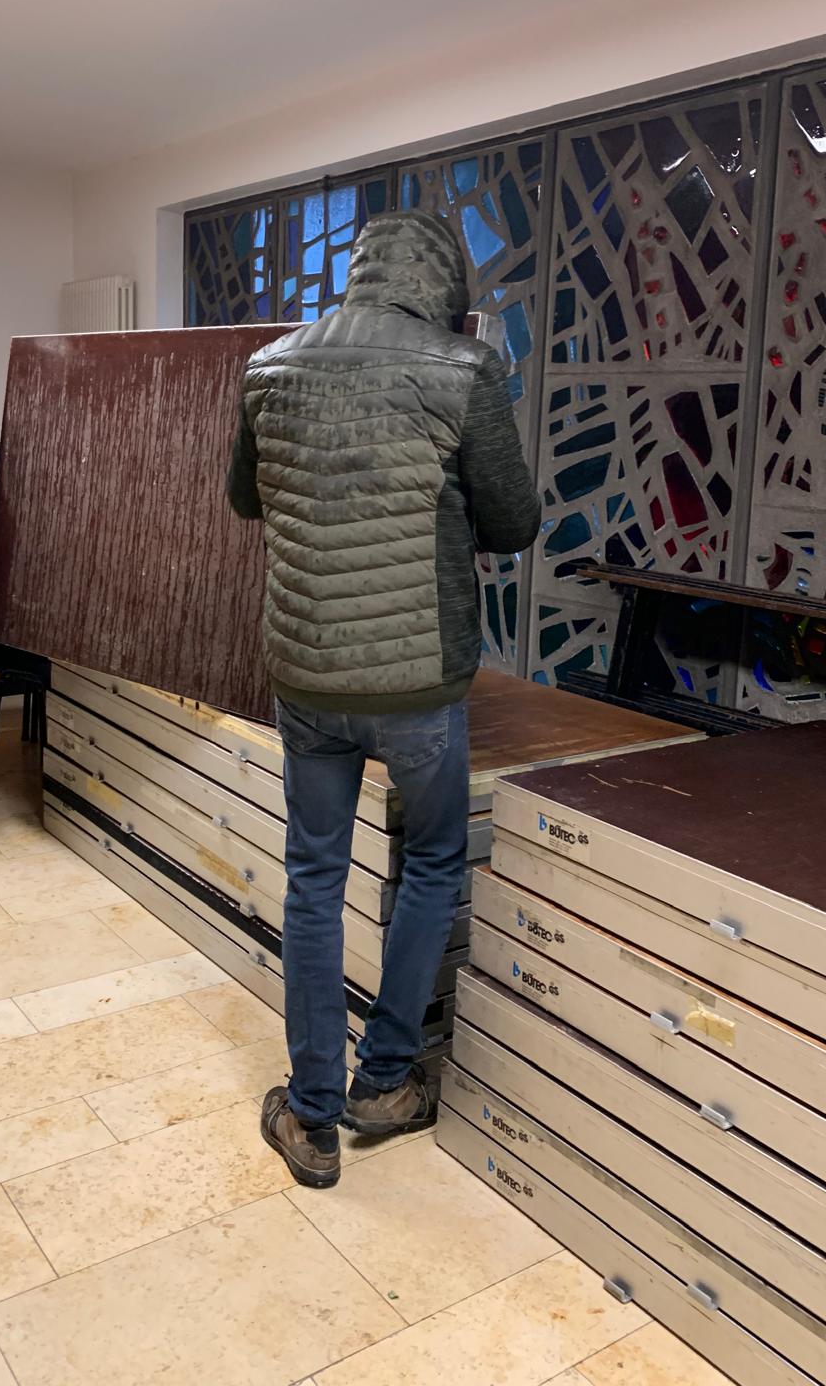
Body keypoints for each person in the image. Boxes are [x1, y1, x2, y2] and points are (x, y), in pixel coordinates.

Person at [227, 207, 541, 1189]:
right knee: (433, 863)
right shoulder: (464, 368)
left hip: (307, 671)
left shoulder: (270, 365)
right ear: (442, 280)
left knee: (314, 879)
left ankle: (311, 1114)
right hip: (418, 681)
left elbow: (246, 498)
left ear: (359, 270)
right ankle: (386, 1083)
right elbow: (515, 522)